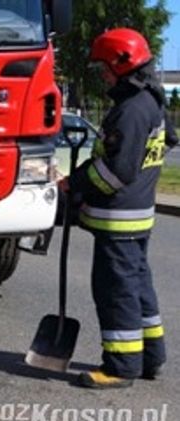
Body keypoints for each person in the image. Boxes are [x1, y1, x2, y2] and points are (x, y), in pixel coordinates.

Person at [58, 28, 175, 389]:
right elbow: (169, 140)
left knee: (115, 292)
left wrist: (74, 185)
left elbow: (116, 171)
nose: (103, 74)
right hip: (137, 216)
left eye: (105, 67)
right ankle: (150, 357)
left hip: (118, 221)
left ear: (122, 65)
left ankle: (121, 366)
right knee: (138, 287)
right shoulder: (151, 102)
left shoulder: (130, 110)